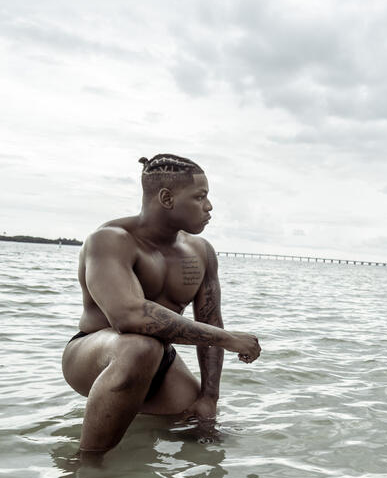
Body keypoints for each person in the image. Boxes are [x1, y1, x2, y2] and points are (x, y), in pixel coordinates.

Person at [62, 154, 261, 456]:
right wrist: (229, 339)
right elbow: (128, 316)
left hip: (159, 360)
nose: (209, 206)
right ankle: (87, 471)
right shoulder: (111, 240)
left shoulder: (201, 252)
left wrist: (210, 396)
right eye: (200, 197)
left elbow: (211, 320)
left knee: (205, 434)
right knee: (141, 346)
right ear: (166, 198)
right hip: (93, 355)